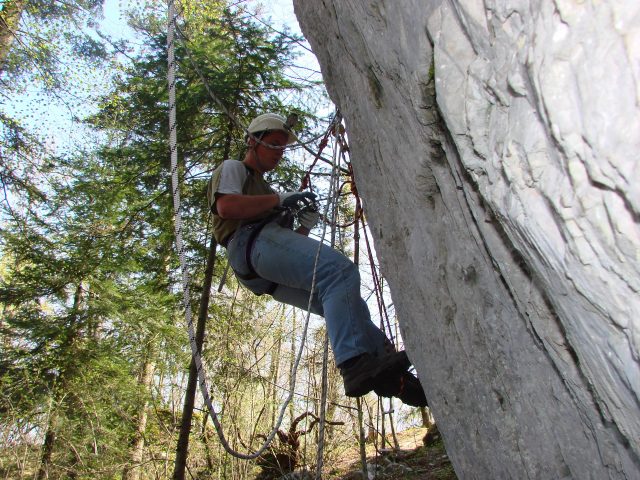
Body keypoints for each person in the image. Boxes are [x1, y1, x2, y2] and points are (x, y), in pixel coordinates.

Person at [207, 113, 427, 407]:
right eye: (273, 144)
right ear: (252, 141)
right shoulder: (235, 169)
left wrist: (305, 226)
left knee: (342, 302)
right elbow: (226, 206)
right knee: (339, 272)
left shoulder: (267, 192)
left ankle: (394, 379)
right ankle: (354, 363)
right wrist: (279, 200)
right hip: (247, 242)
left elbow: (288, 254)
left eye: (282, 148)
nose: (278, 153)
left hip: (258, 267)